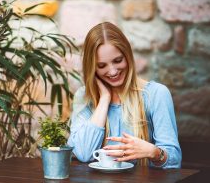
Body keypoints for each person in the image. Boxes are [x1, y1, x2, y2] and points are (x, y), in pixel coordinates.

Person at [67, 22, 181, 168]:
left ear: (127, 56)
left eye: (118, 60)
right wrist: (104, 99)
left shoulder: (156, 94)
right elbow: (83, 154)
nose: (113, 71)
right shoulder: (84, 97)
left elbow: (174, 161)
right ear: (92, 68)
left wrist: (153, 152)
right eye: (101, 66)